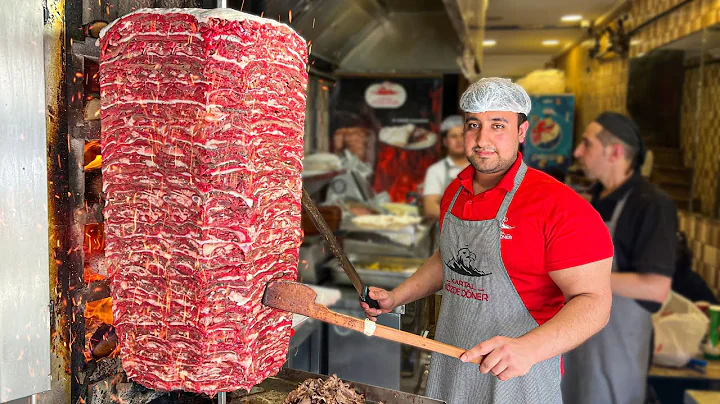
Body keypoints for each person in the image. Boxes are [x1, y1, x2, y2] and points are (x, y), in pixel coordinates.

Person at [361, 78, 614, 404]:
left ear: (522, 132)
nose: (482, 139)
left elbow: (595, 302)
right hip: (451, 363)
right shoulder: (455, 192)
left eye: (498, 125)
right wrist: (397, 297)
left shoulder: (560, 207)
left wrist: (528, 348)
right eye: (473, 125)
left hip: (519, 376)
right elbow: (449, 258)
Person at [562, 112, 678, 404]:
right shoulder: (594, 198)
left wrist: (577, 276)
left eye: (586, 144)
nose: (577, 152)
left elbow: (654, 287)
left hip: (617, 353)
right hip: (576, 346)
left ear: (615, 152)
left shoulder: (651, 204)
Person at [422, 115, 469, 220]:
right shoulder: (435, 170)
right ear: (445, 141)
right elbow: (430, 208)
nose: (459, 140)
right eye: (453, 136)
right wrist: (464, 220)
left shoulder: (482, 168)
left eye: (462, 135)